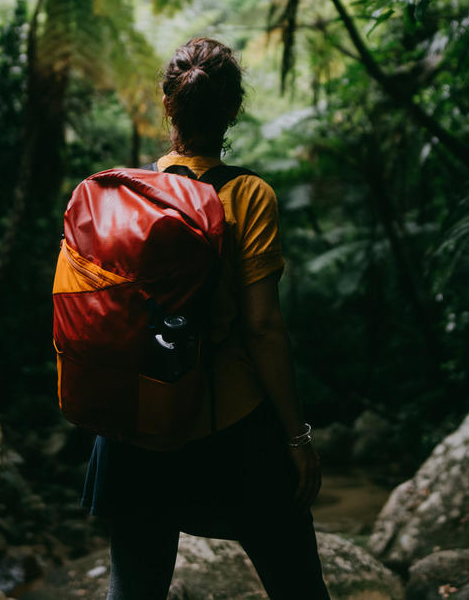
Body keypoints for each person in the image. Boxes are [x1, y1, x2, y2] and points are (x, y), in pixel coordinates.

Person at [80, 37, 329, 600]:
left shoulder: (122, 194)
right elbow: (263, 328)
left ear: (168, 106)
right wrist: (297, 438)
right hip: (229, 421)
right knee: (298, 585)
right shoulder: (248, 194)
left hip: (136, 424)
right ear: (233, 110)